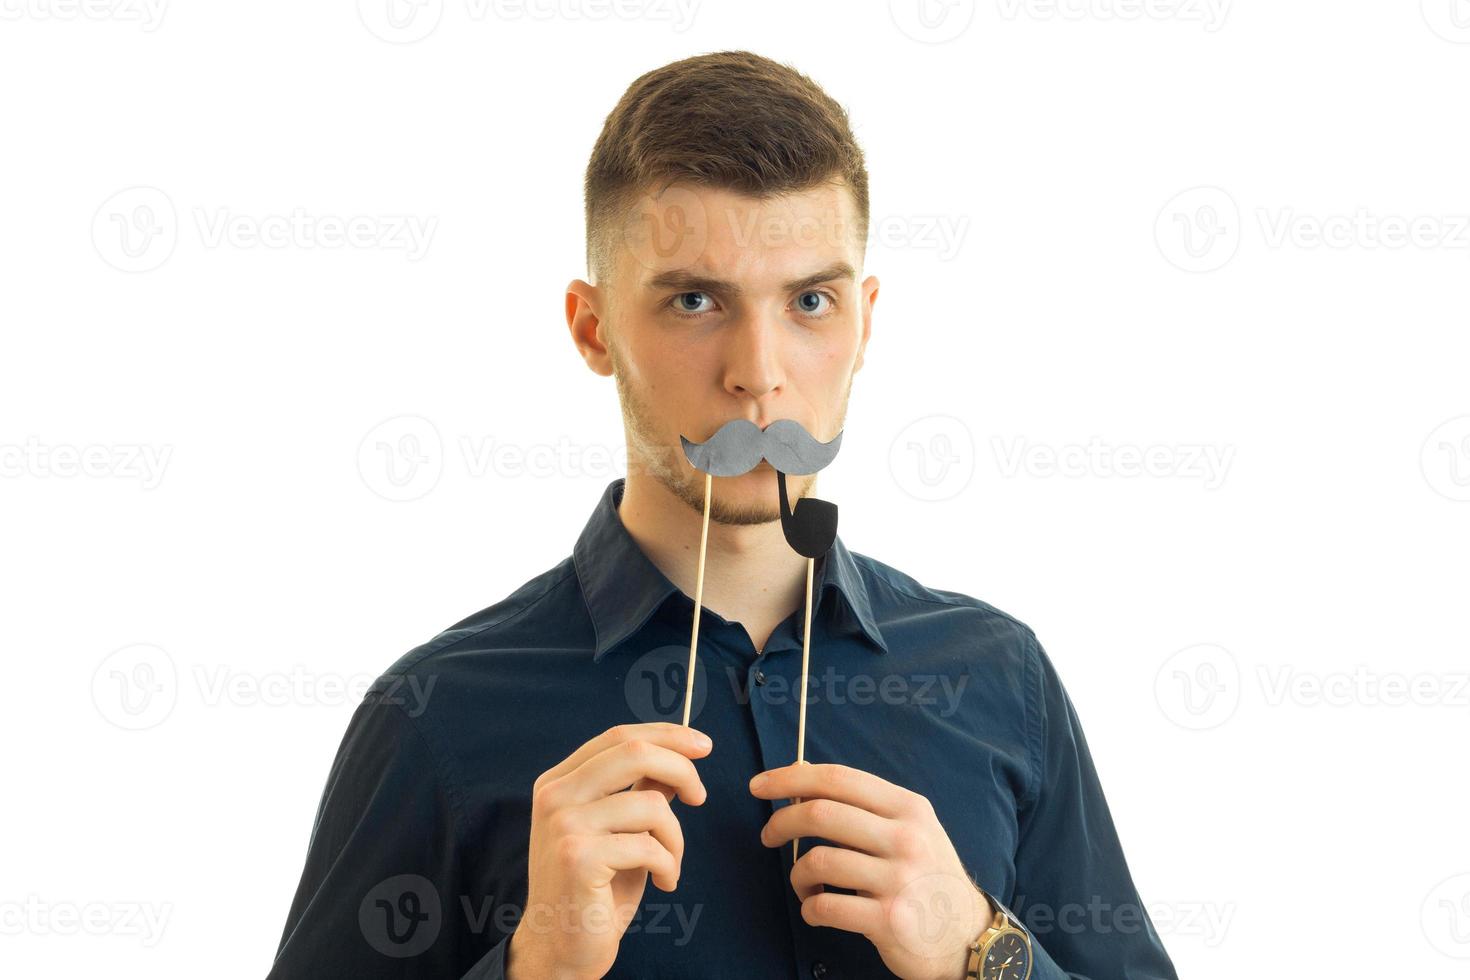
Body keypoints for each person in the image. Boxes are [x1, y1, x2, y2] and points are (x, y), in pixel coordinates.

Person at [268, 50, 1180, 979]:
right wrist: (534, 963)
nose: (760, 371)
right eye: (695, 301)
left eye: (810, 302)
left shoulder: (1001, 678)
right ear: (593, 330)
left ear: (864, 324)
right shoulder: (436, 715)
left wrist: (979, 947)